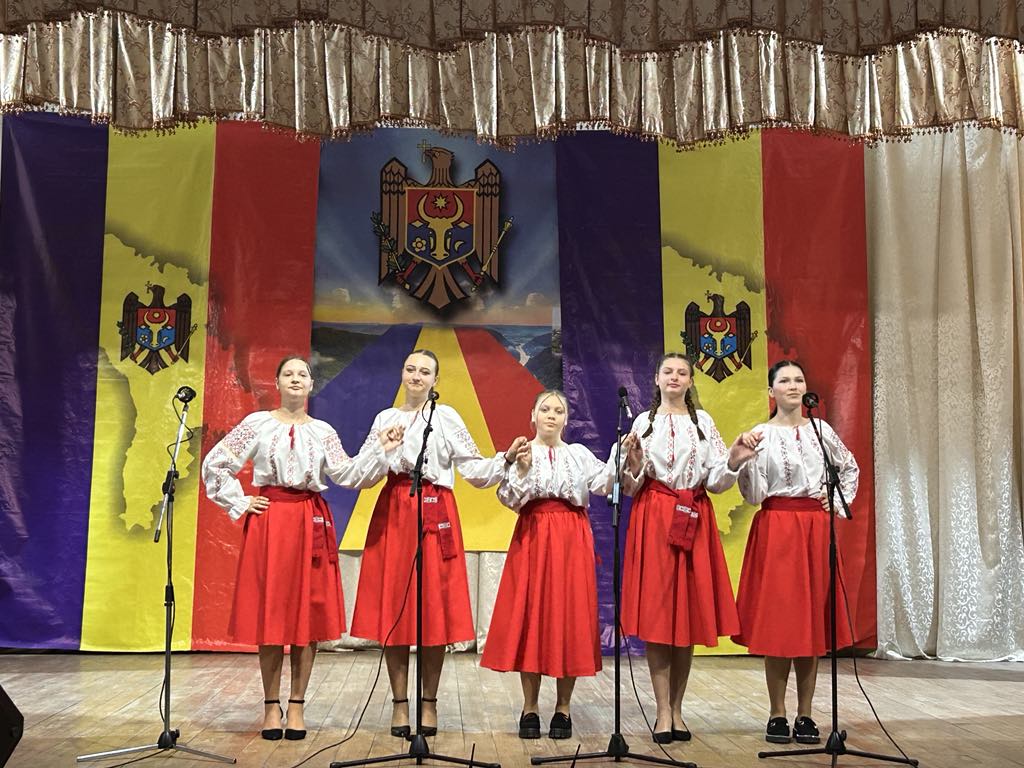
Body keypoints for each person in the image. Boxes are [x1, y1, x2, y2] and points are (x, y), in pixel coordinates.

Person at [202, 356, 398, 741]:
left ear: (311, 385)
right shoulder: (257, 424)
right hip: (271, 521)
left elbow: (347, 474)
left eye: (302, 374)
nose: (295, 379)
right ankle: (270, 706)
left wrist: (380, 449)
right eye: (288, 374)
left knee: (306, 616)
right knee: (271, 614)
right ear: (277, 383)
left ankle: (296, 704)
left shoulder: (323, 431)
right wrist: (240, 501)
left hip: (310, 519)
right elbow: (216, 464)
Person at [348, 349, 519, 738]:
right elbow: (363, 475)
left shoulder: (446, 417)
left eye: (425, 371)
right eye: (410, 369)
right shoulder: (385, 419)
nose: (416, 376)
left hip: (436, 509)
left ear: (435, 380)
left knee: (433, 609)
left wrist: (505, 460)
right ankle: (399, 703)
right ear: (401, 373)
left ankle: (429, 701)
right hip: (395, 509)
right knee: (395, 608)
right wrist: (383, 450)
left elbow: (473, 469)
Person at [619, 352, 756, 743]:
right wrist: (633, 462)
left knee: (687, 618)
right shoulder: (643, 423)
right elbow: (630, 486)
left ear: (691, 381)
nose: (675, 377)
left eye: (682, 372)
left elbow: (715, 480)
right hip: (655, 517)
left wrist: (733, 461)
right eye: (668, 371)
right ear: (656, 379)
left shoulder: (703, 423)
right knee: (660, 616)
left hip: (693, 516)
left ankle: (677, 710)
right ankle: (662, 711)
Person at [733, 360, 858, 745]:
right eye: (784, 380)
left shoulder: (821, 430)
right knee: (779, 622)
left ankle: (806, 713)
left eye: (799, 379)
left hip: (814, 529)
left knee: (810, 623)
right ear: (771, 391)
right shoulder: (760, 435)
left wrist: (836, 499)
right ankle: (777, 712)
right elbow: (753, 494)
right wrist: (743, 459)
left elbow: (848, 467)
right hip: (776, 527)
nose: (793, 385)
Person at [481, 390, 612, 740]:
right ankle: (530, 707)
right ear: (533, 415)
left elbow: (605, 483)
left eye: (558, 410)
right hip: (534, 535)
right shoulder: (524, 452)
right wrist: (522, 471)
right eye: (545, 409)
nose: (551, 415)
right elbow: (508, 498)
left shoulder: (578, 454)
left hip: (572, 538)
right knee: (532, 615)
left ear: (566, 419)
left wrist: (624, 456)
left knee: (570, 616)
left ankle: (563, 708)